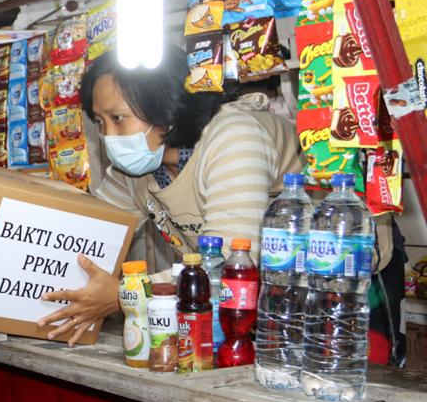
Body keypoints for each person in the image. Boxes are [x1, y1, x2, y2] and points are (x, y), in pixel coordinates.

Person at [37, 45, 397, 347]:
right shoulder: (137, 169)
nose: (109, 136)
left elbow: (229, 262)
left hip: (342, 287)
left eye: (118, 118)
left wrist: (122, 295)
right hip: (257, 301)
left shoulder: (233, 135)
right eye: (100, 122)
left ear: (167, 109)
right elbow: (84, 227)